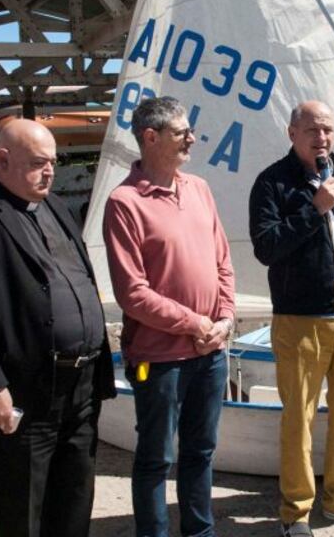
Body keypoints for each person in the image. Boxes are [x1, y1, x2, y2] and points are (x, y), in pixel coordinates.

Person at [0, 119, 115, 537]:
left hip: (80, 389)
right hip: (21, 396)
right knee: (24, 515)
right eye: (39, 163)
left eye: (53, 163)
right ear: (2, 159)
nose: (50, 172)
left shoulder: (56, 206)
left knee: (74, 505)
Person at [249, 100, 334, 536]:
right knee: (299, 421)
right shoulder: (272, 182)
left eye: (328, 129)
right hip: (301, 321)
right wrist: (314, 208)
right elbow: (267, 247)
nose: (322, 138)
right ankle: (295, 512)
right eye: (312, 130)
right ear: (292, 133)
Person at [103, 96, 235, 537]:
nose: (191, 139)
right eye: (181, 132)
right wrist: (197, 324)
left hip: (211, 352)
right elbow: (133, 293)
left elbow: (222, 260)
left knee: (201, 451)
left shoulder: (198, 188)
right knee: (156, 459)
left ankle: (200, 532)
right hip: (159, 360)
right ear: (151, 137)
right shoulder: (124, 202)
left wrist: (225, 318)